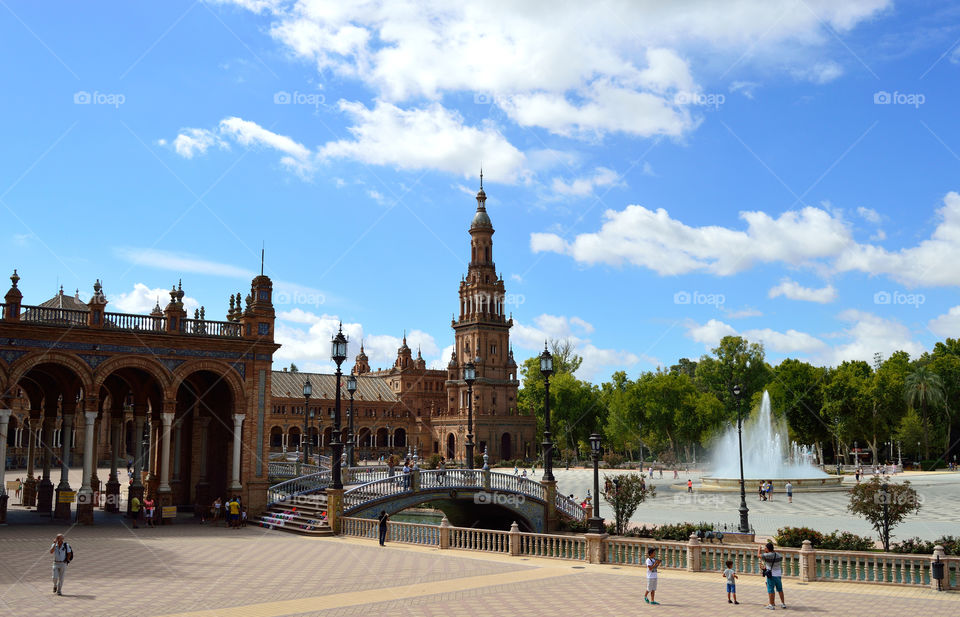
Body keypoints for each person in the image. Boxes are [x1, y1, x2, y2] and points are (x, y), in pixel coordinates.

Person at [759, 541, 786, 610]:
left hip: (771, 575)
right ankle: (783, 604)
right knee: (780, 589)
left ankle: (771, 604)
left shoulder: (767, 555)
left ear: (768, 549)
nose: (764, 549)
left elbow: (759, 555)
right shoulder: (778, 555)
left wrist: (759, 548)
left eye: (765, 548)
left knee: (771, 590)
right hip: (778, 574)